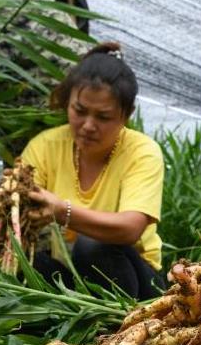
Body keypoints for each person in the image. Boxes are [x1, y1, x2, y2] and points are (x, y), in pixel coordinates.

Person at [15, 41, 166, 299]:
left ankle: (120, 320)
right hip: (75, 278)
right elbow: (20, 206)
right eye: (79, 111)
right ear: (68, 103)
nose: (87, 125)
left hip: (137, 282)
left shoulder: (142, 151)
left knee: (93, 246)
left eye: (103, 117)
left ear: (126, 114)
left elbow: (130, 228)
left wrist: (62, 211)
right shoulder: (46, 145)